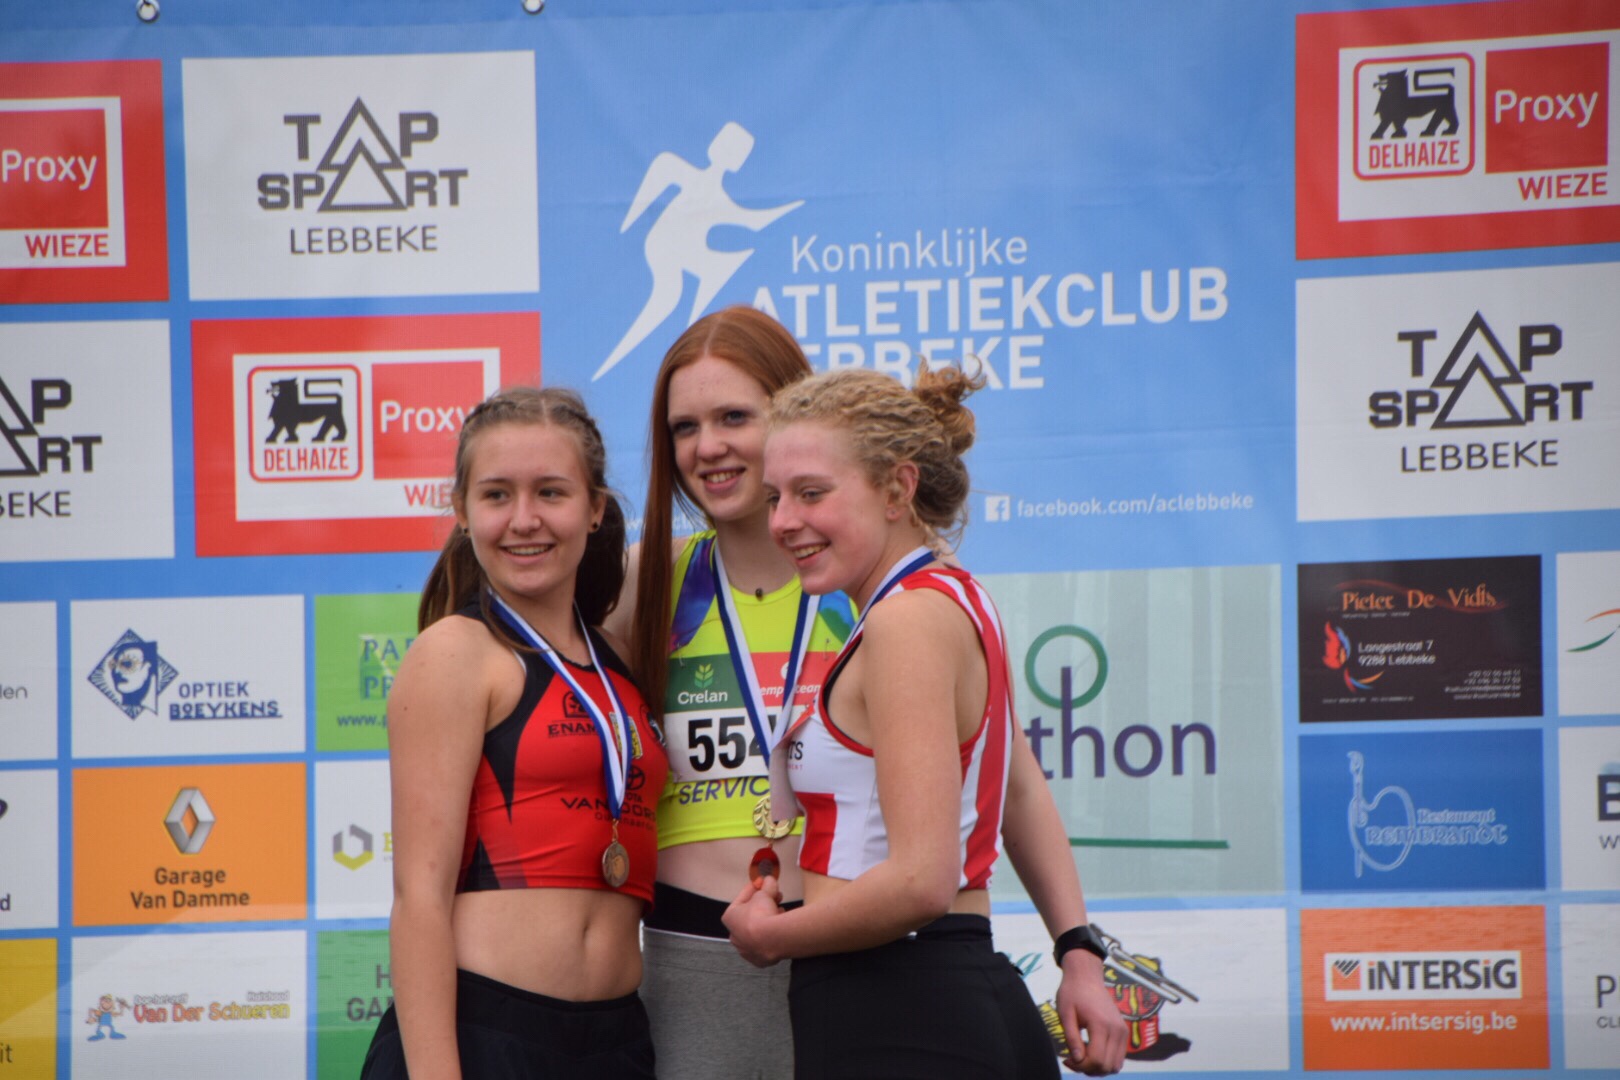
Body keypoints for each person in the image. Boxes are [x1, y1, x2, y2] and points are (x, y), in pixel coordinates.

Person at [722, 366, 1129, 1078]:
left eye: (812, 493)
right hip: (945, 992)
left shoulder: (905, 621)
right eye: (774, 496)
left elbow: (921, 882)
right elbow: (1019, 791)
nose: (783, 520)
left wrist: (771, 937)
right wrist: (1078, 952)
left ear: (896, 490)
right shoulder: (954, 596)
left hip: (896, 1007)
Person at [361, 386, 668, 1080]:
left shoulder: (617, 661)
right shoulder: (454, 653)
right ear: (462, 511)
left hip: (616, 1039)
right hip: (487, 1035)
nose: (524, 520)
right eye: (497, 495)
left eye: (551, 492)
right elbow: (419, 898)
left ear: (595, 508)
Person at [606, 306, 853, 1080]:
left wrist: (1074, 941)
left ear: (794, 413)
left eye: (734, 417)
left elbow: (1007, 777)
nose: (707, 446)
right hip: (691, 963)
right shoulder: (647, 579)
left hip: (849, 952)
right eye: (685, 427)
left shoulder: (866, 582)